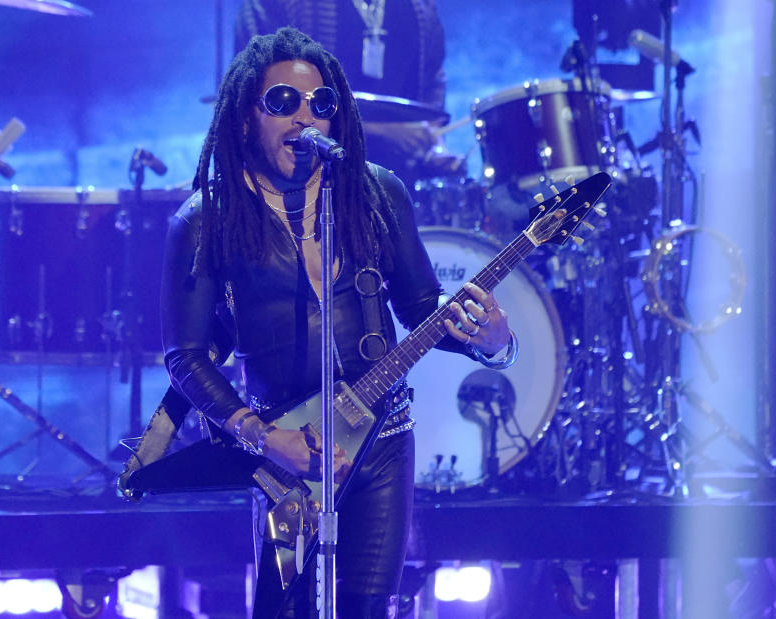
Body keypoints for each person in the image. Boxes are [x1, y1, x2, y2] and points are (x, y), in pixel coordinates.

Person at [161, 27, 517, 618]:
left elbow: (422, 307)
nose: (305, 118)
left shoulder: (378, 195)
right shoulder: (207, 218)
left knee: (368, 609)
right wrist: (263, 437)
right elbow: (185, 356)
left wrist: (492, 344)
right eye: (283, 103)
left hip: (381, 439)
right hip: (282, 442)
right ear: (247, 116)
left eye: (321, 105)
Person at [234, 0, 461, 189]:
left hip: (397, 178)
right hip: (305, 179)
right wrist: (382, 131)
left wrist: (434, 143)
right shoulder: (282, 4)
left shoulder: (420, 6)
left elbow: (433, 78)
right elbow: (269, 94)